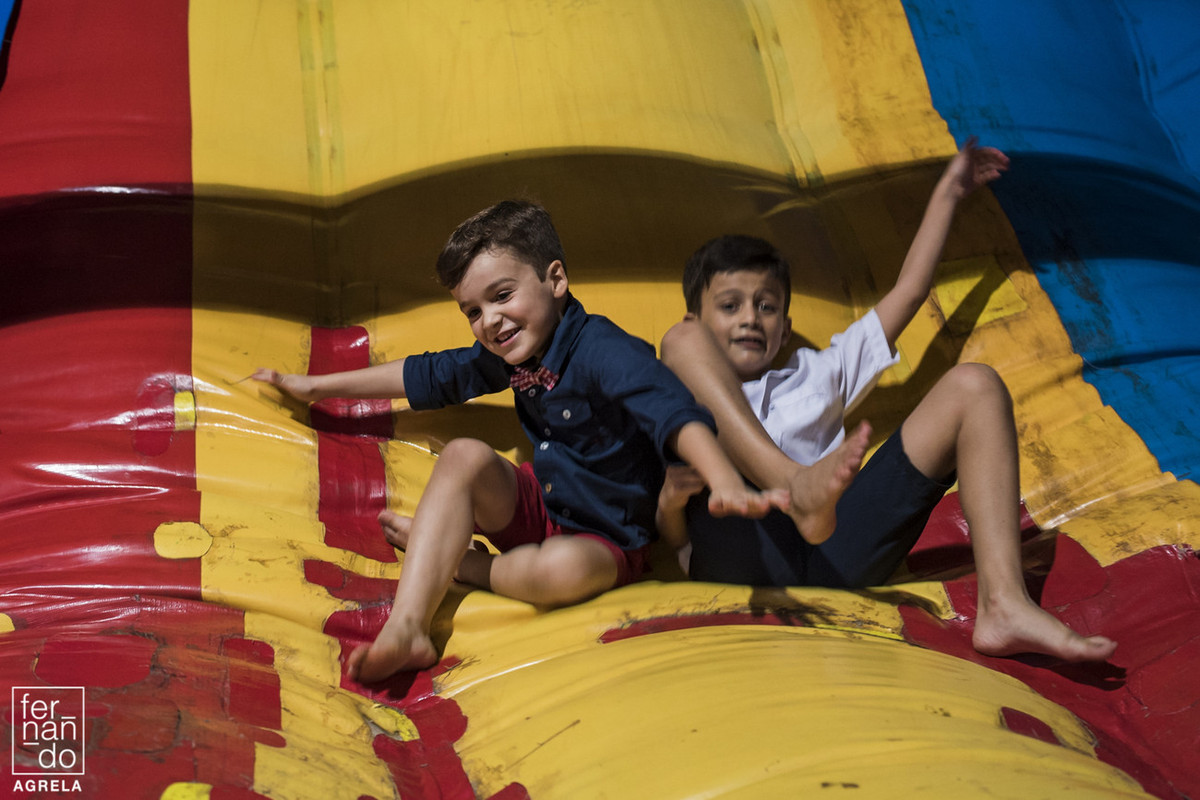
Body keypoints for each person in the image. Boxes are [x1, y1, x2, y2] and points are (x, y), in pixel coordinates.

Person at [254, 200, 867, 683]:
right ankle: (410, 624)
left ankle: (462, 562)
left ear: (555, 280)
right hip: (537, 505)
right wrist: (313, 387)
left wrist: (727, 481)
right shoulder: (510, 353)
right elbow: (425, 374)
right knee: (465, 454)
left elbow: (675, 412)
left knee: (565, 568)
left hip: (605, 541)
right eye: (472, 311)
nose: (489, 321)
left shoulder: (603, 350)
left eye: (501, 296)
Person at [658, 139, 1117, 663]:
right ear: (699, 316)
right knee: (676, 346)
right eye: (730, 305)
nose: (749, 317)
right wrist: (671, 506)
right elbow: (669, 529)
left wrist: (948, 193)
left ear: (785, 329)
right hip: (745, 561)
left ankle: (1003, 601)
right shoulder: (676, 383)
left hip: (833, 555)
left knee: (975, 385)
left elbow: (910, 290)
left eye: (766, 306)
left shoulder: (818, 372)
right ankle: (793, 484)